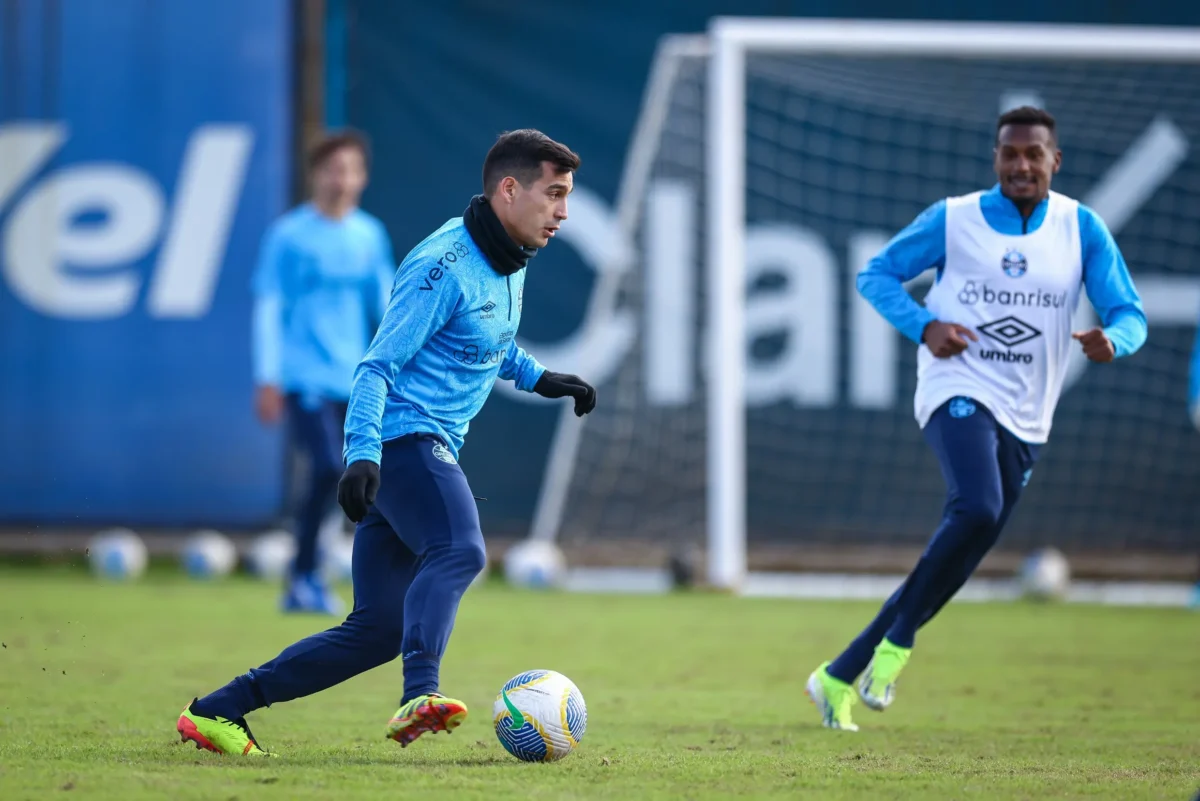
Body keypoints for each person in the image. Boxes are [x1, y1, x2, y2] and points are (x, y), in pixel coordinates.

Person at [177, 129, 596, 756]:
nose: (563, 212)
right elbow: (376, 367)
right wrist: (362, 454)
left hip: (412, 450)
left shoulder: (509, 258)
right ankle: (419, 693)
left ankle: (218, 710)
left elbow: (483, 342)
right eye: (554, 194)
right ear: (510, 190)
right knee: (458, 550)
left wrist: (540, 378)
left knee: (375, 630)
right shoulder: (443, 265)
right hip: (403, 443)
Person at [807, 107, 1147, 731]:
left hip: (1028, 411)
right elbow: (875, 273)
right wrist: (925, 326)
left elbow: (1129, 312)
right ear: (995, 159)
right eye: (1009, 154)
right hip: (956, 386)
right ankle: (897, 646)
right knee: (978, 508)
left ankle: (838, 673)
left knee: (967, 545)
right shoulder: (954, 219)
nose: (1021, 165)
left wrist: (1114, 340)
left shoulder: (1081, 227)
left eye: (1033, 155)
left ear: (1055, 162)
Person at [251, 130, 396, 616]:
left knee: (349, 476)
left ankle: (313, 575)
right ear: (317, 174)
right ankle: (305, 574)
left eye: (352, 169)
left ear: (364, 178)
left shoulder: (369, 235)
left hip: (354, 378)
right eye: (334, 168)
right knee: (331, 468)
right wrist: (267, 374)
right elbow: (269, 307)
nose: (342, 179)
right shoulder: (289, 235)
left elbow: (388, 306)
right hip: (303, 377)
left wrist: (399, 361)